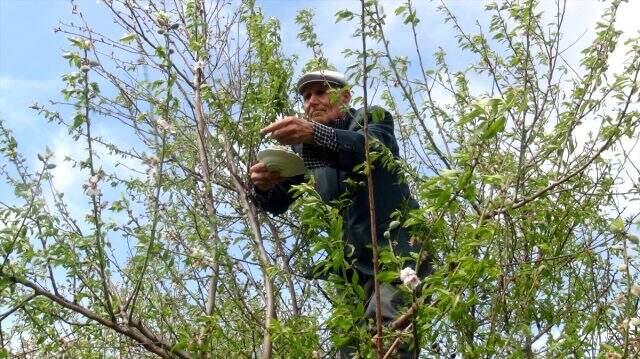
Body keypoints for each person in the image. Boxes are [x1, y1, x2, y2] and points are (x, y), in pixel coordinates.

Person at [250, 70, 424, 358]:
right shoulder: (303, 149)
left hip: (397, 256)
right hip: (352, 274)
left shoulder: (371, 118)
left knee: (389, 330)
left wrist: (315, 134)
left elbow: (372, 150)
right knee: (351, 348)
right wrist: (263, 186)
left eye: (321, 92)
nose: (312, 101)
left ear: (344, 97)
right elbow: (277, 203)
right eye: (306, 97)